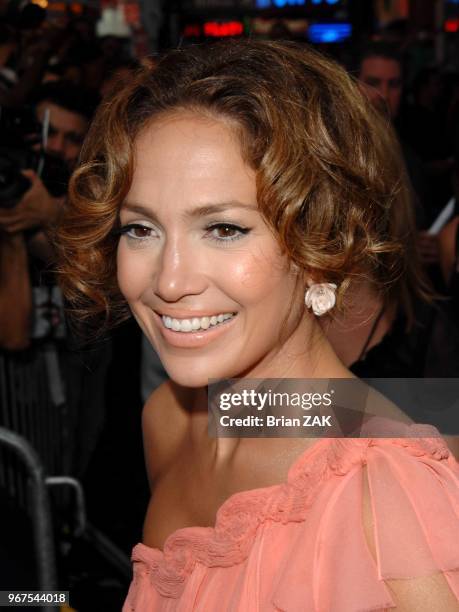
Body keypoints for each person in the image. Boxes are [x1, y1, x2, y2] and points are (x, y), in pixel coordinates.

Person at [57, 41, 459, 611]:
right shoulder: (169, 419)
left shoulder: (385, 493)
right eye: (140, 229)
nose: (168, 282)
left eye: (223, 229)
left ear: (318, 244)